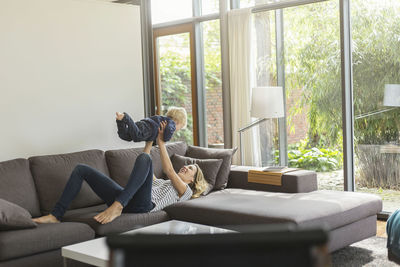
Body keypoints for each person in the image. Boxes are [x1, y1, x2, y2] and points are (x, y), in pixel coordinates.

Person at [32, 121, 207, 225]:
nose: (186, 166)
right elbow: (145, 167)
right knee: (81, 169)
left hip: (143, 207)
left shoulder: (185, 191)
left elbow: (169, 170)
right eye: (187, 165)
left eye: (190, 168)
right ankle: (56, 215)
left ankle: (117, 206)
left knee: (145, 161)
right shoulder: (162, 183)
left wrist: (161, 142)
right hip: (128, 199)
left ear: (192, 180)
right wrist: (149, 142)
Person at [116, 106, 187, 144]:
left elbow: (154, 140)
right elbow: (169, 130)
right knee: (138, 137)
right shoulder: (171, 123)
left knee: (126, 137)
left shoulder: (163, 119)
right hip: (148, 128)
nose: (176, 130)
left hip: (142, 125)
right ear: (177, 122)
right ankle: (126, 117)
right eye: (180, 128)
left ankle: (120, 121)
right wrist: (165, 139)